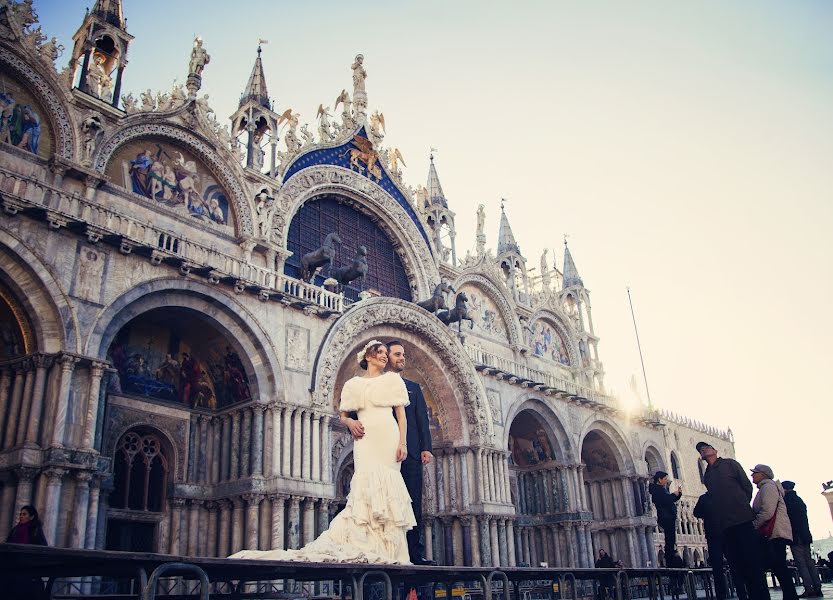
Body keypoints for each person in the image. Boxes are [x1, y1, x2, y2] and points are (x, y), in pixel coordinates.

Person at [231, 340, 415, 563]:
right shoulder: (352, 385)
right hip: (365, 439)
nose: (385, 356)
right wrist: (350, 424)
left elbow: (402, 416)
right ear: (368, 356)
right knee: (366, 485)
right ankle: (369, 543)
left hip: (388, 436)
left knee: (388, 486)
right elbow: (344, 415)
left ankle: (390, 549)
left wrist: (403, 443)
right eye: (380, 352)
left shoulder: (392, 380)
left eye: (387, 353)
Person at [697, 441, 770, 600]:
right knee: (738, 565)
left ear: (715, 450)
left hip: (742, 521)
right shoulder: (707, 475)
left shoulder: (730, 464)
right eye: (701, 450)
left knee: (753, 563)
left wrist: (740, 504)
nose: (704, 449)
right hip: (726, 526)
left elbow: (746, 486)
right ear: (701, 456)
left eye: (707, 447)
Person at [385, 340, 436, 565]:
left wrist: (426, 448)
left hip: (413, 453)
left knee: (413, 502)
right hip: (384, 452)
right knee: (386, 501)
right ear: (386, 357)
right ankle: (388, 552)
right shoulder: (376, 385)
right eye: (397, 354)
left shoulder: (414, 387)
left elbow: (422, 420)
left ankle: (415, 554)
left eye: (403, 354)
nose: (402, 358)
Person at [751, 464, 798, 600]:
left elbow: (767, 511)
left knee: (779, 565)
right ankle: (790, 595)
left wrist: (754, 525)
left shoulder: (768, 487)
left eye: (755, 473)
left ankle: (790, 596)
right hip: (774, 531)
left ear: (763, 474)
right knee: (778, 565)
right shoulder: (765, 488)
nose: (752, 475)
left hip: (774, 531)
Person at [694, 491, 748, 600]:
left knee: (717, 568)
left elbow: (697, 513)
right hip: (728, 533)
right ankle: (742, 593)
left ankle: (721, 595)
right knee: (735, 565)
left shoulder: (705, 498)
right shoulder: (726, 494)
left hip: (713, 536)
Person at [781, 481, 822, 598]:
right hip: (805, 535)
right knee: (809, 562)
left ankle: (808, 588)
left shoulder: (787, 502)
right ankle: (817, 587)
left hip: (796, 536)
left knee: (801, 563)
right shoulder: (799, 501)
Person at [4, 505, 48, 600]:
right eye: (20, 514)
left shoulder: (36, 530)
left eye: (24, 514)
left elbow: (43, 548)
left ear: (31, 517)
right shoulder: (15, 530)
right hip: (14, 567)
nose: (21, 516)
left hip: (29, 569)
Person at [649, 470, 681, 563]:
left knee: (671, 538)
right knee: (669, 539)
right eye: (665, 479)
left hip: (668, 516)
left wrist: (678, 495)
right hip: (666, 516)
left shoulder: (661, 489)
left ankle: (671, 555)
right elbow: (665, 500)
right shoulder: (657, 489)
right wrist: (674, 495)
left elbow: (669, 500)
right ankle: (670, 557)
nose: (667, 481)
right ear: (659, 479)